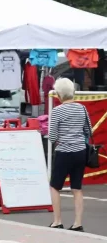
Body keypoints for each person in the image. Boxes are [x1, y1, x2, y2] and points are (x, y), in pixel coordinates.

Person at [48, 78, 92, 231]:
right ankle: (77, 223)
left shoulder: (57, 111)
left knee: (55, 186)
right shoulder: (82, 108)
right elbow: (88, 130)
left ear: (59, 94)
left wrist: (62, 138)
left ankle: (57, 221)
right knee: (77, 188)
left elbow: (52, 136)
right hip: (80, 151)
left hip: (64, 152)